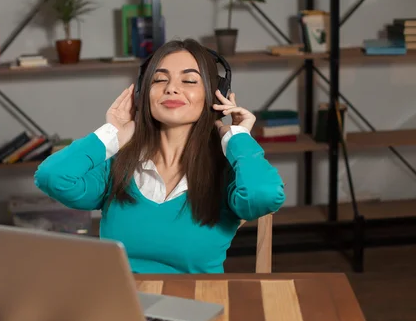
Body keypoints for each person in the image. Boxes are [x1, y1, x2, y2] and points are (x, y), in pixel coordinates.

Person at [34, 38, 285, 274]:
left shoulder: (229, 172)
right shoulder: (118, 166)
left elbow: (263, 196)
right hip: (125, 306)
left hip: (198, 304)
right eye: (159, 80)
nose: (171, 89)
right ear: (143, 94)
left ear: (215, 94)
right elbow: (52, 177)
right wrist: (114, 134)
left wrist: (237, 137)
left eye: (189, 81)